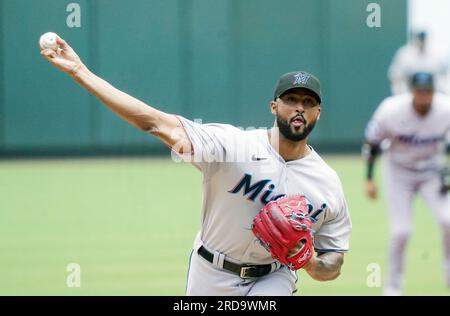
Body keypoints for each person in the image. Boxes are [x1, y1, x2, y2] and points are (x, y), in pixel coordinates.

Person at [40, 36, 352, 296]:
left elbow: (333, 264)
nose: (299, 107)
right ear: (274, 106)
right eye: (291, 99)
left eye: (308, 102)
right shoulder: (232, 146)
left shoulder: (326, 183)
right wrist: (80, 71)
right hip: (211, 271)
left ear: (318, 112)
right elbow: (154, 123)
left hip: (273, 278)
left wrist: (309, 261)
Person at [364, 72, 450, 296]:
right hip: (398, 172)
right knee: (400, 232)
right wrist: (369, 178)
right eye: (420, 91)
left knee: (448, 221)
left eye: (428, 91)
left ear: (434, 91)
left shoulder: (445, 108)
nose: (424, 96)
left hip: (431, 171)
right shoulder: (391, 110)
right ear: (412, 91)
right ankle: (393, 288)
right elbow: (372, 142)